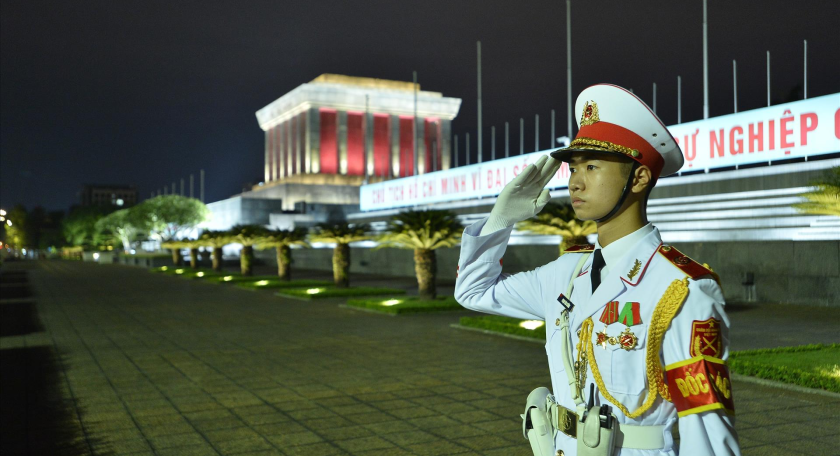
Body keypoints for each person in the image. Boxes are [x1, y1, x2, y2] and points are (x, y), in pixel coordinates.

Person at [454, 84, 740, 456]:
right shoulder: (566, 272)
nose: (575, 180)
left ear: (638, 179)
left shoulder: (680, 288)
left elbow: (705, 425)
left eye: (591, 166)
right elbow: (473, 292)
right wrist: (500, 219)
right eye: (573, 167)